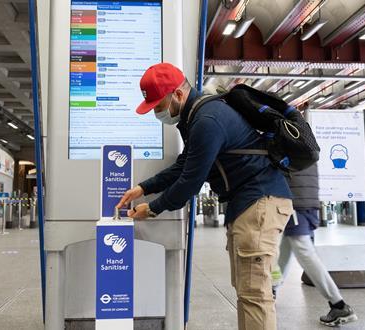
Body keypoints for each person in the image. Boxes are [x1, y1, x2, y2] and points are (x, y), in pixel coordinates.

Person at [116, 62, 293, 330]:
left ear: (177, 94)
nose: (157, 113)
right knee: (248, 292)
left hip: (260, 202)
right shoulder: (198, 116)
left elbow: (190, 181)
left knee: (255, 294)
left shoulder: (207, 120)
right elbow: (183, 165)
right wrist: (142, 188)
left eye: (158, 105)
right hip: (249, 204)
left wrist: (151, 209)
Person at [274, 163, 358, 327]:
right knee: (287, 247)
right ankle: (272, 288)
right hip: (307, 200)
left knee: (304, 251)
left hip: (295, 202)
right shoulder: (305, 139)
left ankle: (338, 305)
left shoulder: (285, 138)